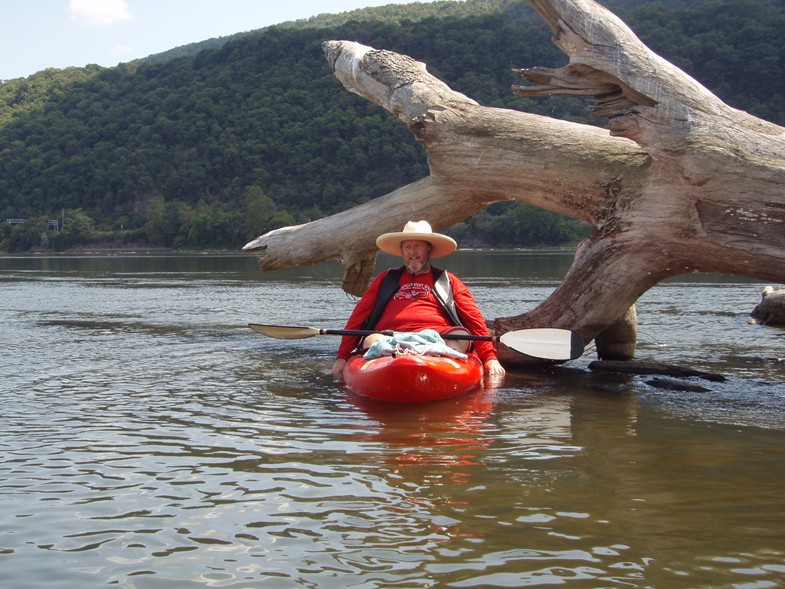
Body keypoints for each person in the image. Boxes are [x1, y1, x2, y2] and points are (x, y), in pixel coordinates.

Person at [331, 220, 506, 377]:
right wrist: (342, 356)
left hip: (440, 338)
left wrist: (490, 358)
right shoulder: (385, 279)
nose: (412, 253)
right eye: (407, 247)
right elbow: (358, 317)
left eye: (418, 247)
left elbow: (474, 320)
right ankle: (405, 357)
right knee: (370, 339)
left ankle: (435, 360)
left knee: (461, 334)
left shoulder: (447, 280)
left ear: (429, 249)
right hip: (390, 338)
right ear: (401, 252)